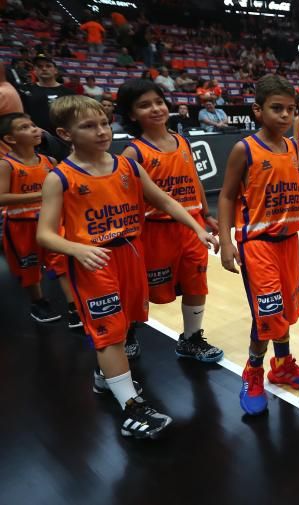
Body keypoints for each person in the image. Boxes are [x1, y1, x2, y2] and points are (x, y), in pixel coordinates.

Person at [37, 95, 217, 438]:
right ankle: (132, 410)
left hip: (131, 254)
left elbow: (163, 200)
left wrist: (196, 225)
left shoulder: (127, 166)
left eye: (104, 123)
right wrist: (76, 248)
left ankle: (107, 377)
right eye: (88, 126)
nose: (101, 131)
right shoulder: (59, 178)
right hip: (94, 261)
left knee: (127, 323)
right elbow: (45, 234)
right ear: (65, 133)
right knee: (110, 336)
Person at [217, 75, 299, 416]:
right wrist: (226, 241)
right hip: (258, 243)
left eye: (291, 110)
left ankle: (282, 365)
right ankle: (253, 370)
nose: (285, 116)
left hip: (288, 241)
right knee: (266, 313)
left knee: (285, 310)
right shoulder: (245, 149)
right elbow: (225, 196)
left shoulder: (293, 146)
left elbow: (296, 190)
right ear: (257, 110)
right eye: (276, 109)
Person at [117, 79, 224, 363]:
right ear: (131, 115)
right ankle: (128, 332)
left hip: (192, 226)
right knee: (142, 290)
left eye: (158, 102)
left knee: (196, 284)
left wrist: (207, 214)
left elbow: (195, 179)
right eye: (144, 105)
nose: (155, 109)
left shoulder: (182, 141)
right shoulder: (133, 152)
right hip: (155, 232)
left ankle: (190, 339)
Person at [0, 113, 77, 325]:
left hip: (49, 222)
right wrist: (41, 194)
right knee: (29, 269)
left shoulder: (49, 161)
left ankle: (73, 309)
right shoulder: (6, 165)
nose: (35, 129)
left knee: (61, 262)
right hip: (20, 225)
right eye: (25, 127)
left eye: (34, 124)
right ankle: (38, 302)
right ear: (11, 139)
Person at [18, 54, 74, 135]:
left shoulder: (69, 93)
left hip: (62, 139)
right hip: (33, 137)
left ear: (55, 70)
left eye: (48, 66)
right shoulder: (25, 90)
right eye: (39, 66)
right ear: (34, 70)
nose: (44, 69)